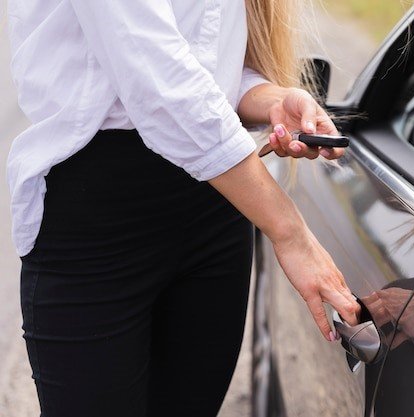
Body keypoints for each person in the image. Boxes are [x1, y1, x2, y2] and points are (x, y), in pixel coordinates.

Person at [6, 1, 360, 416]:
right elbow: (155, 76)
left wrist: (272, 99)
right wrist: (290, 232)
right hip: (98, 223)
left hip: (216, 211)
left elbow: (209, 64)